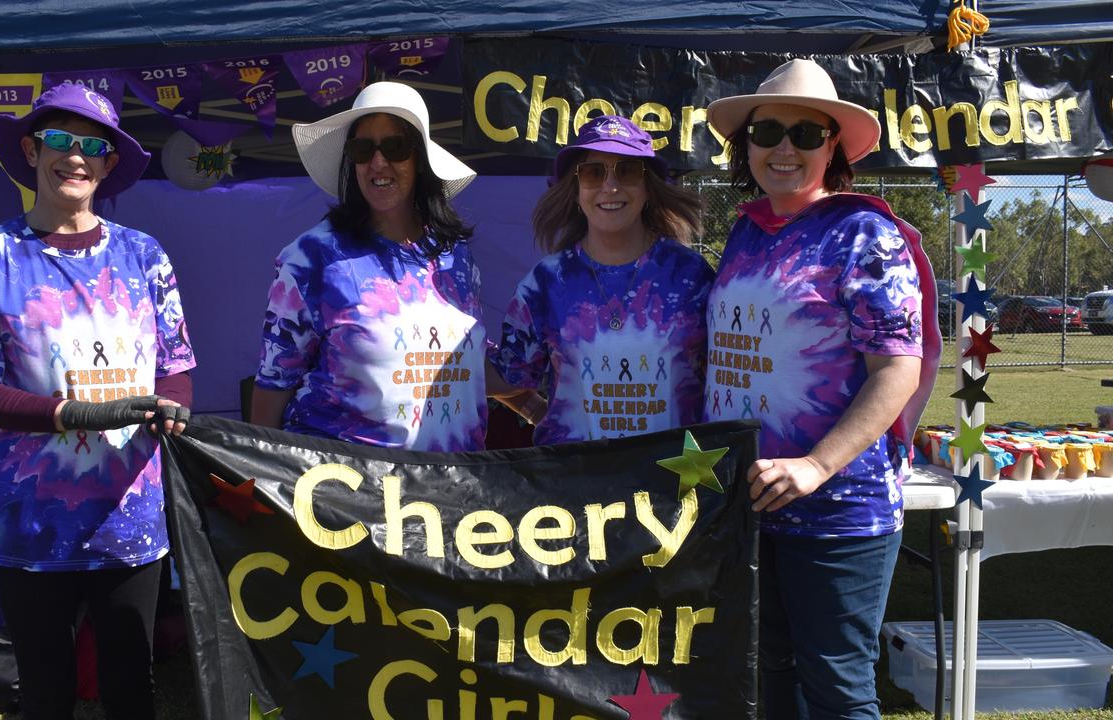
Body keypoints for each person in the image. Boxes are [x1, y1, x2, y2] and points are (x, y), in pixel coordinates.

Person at [0, 82, 194, 720]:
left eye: (93, 146)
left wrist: (174, 410)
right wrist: (71, 415)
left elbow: (176, 369)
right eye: (59, 139)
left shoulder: (145, 255)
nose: (75, 156)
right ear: (31, 150)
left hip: (128, 517)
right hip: (27, 520)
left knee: (130, 687)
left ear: (109, 165)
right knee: (47, 689)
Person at [704, 59, 940, 719]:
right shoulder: (748, 231)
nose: (784, 147)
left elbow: (897, 369)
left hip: (840, 509)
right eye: (767, 130)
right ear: (744, 143)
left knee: (837, 689)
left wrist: (815, 466)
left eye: (806, 134)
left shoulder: (865, 234)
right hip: (751, 502)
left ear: (832, 146)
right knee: (769, 673)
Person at [250, 81, 535, 450]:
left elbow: (461, 364)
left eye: (395, 147)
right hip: (344, 492)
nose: (378, 162)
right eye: (363, 148)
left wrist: (539, 409)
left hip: (451, 490)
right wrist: (258, 485)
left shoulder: (455, 257)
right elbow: (273, 384)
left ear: (420, 159)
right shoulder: (312, 259)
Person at [491, 115, 712, 444]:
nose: (610, 186)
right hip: (576, 487)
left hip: (671, 486)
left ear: (648, 186)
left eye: (627, 170)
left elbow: (728, 381)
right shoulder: (545, 284)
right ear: (575, 190)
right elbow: (508, 375)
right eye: (593, 172)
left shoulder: (691, 277)